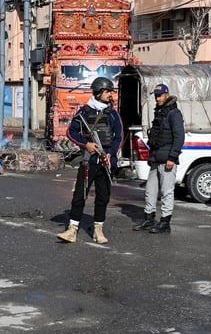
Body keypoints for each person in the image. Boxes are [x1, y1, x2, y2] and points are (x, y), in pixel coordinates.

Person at [57, 76, 123, 244]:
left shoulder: (113, 114)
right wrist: (86, 144)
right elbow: (71, 132)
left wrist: (110, 153)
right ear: (99, 92)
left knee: (103, 197)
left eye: (111, 92)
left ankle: (98, 230)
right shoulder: (84, 112)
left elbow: (119, 137)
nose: (110, 95)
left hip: (106, 162)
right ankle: (72, 229)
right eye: (107, 91)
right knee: (80, 195)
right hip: (89, 161)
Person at [133, 83, 184, 234]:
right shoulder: (160, 112)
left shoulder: (174, 113)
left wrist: (172, 157)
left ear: (166, 94)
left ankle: (165, 223)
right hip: (156, 158)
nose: (157, 98)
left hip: (168, 159)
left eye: (160, 95)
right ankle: (149, 219)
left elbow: (179, 137)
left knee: (167, 191)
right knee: (150, 190)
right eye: (156, 96)